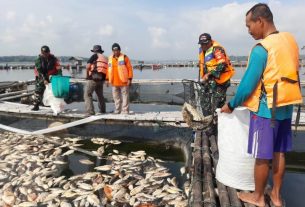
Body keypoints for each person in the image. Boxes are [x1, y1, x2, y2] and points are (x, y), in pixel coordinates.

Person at [221, 3, 302, 207]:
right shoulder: (290, 41)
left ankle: (257, 197)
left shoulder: (261, 49)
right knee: (279, 152)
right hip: (286, 105)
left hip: (266, 111)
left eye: (249, 26)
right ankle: (275, 196)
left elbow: (247, 85)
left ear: (260, 21)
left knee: (262, 156)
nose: (248, 31)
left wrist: (231, 105)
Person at [198, 33, 235, 115]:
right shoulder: (202, 50)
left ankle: (218, 123)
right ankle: (208, 121)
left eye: (205, 43)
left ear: (210, 42)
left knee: (217, 105)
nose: (203, 46)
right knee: (204, 101)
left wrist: (208, 74)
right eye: (201, 44)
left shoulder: (217, 49)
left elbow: (222, 65)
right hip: (209, 81)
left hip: (221, 81)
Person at [106, 43, 133, 114]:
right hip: (114, 82)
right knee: (116, 98)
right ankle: (117, 110)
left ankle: (125, 111)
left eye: (117, 50)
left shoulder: (124, 57)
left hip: (123, 81)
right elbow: (108, 70)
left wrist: (130, 79)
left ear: (119, 50)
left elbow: (129, 68)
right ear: (112, 51)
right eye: (114, 50)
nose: (116, 52)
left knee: (125, 97)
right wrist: (107, 79)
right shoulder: (110, 58)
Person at [32, 45, 61, 111]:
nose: (46, 55)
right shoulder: (38, 60)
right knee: (38, 91)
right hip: (41, 76)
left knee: (54, 92)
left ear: (49, 52)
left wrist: (59, 76)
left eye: (47, 53)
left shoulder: (54, 59)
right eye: (44, 53)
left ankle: (54, 106)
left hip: (52, 76)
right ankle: (36, 105)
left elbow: (58, 68)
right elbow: (39, 71)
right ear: (41, 53)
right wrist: (44, 79)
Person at [84, 45, 108, 115]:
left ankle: (90, 111)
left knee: (87, 94)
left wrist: (87, 76)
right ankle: (103, 110)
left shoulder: (94, 56)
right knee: (100, 95)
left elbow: (88, 66)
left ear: (94, 51)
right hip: (102, 79)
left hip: (93, 78)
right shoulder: (106, 58)